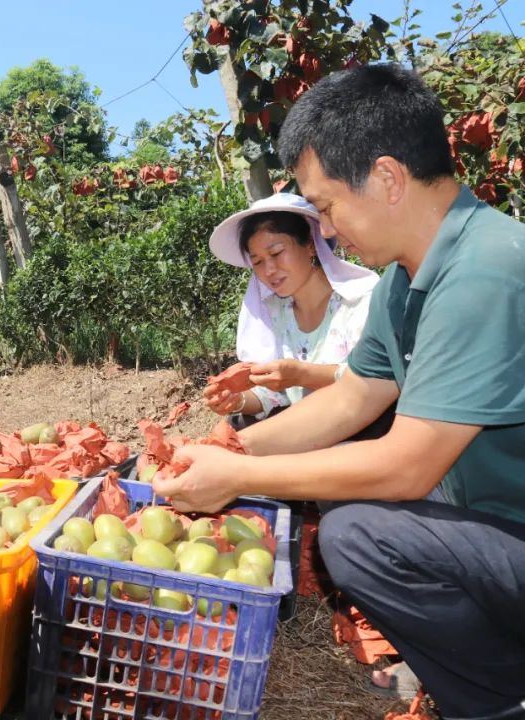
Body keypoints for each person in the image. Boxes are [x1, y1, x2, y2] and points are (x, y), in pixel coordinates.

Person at [155, 64, 525, 719]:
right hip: (495, 524)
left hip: (508, 530)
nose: (324, 231)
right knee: (356, 522)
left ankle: (500, 705)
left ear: (386, 178)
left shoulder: (486, 271)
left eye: (324, 207)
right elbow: (350, 400)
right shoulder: (403, 284)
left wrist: (235, 473)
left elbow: (409, 464)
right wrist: (226, 446)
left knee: (357, 537)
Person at [203, 193, 379, 425]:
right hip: (301, 436)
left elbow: (378, 380)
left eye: (276, 253)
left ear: (310, 245)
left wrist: (302, 375)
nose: (269, 269)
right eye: (257, 262)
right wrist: (237, 400)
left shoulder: (358, 302)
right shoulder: (275, 313)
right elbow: (275, 395)